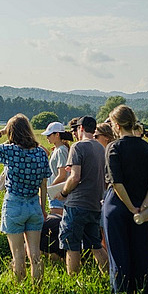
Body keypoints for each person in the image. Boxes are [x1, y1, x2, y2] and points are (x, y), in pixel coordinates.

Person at [0, 114, 51, 282]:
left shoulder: (11, 150)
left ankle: (19, 288)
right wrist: (42, 208)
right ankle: (37, 289)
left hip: (14, 204)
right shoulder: (41, 152)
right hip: (34, 205)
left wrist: (1, 133)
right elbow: (44, 185)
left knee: (18, 255)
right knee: (35, 254)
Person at [103, 105, 148, 294]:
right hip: (142, 206)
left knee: (118, 254)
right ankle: (146, 292)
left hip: (118, 206)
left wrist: (130, 206)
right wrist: (143, 206)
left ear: (117, 125)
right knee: (143, 251)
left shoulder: (114, 147)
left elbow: (117, 183)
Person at [55, 116, 109, 275]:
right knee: (96, 245)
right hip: (95, 204)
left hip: (76, 204)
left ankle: (73, 281)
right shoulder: (101, 148)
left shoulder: (78, 147)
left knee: (71, 245)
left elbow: (75, 177)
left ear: (81, 128)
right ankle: (111, 277)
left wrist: (64, 192)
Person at [40, 122, 73, 261]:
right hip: (55, 192)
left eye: (49, 135)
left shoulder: (61, 151)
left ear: (57, 135)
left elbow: (62, 175)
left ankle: (59, 253)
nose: (47, 137)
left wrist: (49, 189)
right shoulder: (59, 149)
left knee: (56, 226)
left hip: (56, 193)